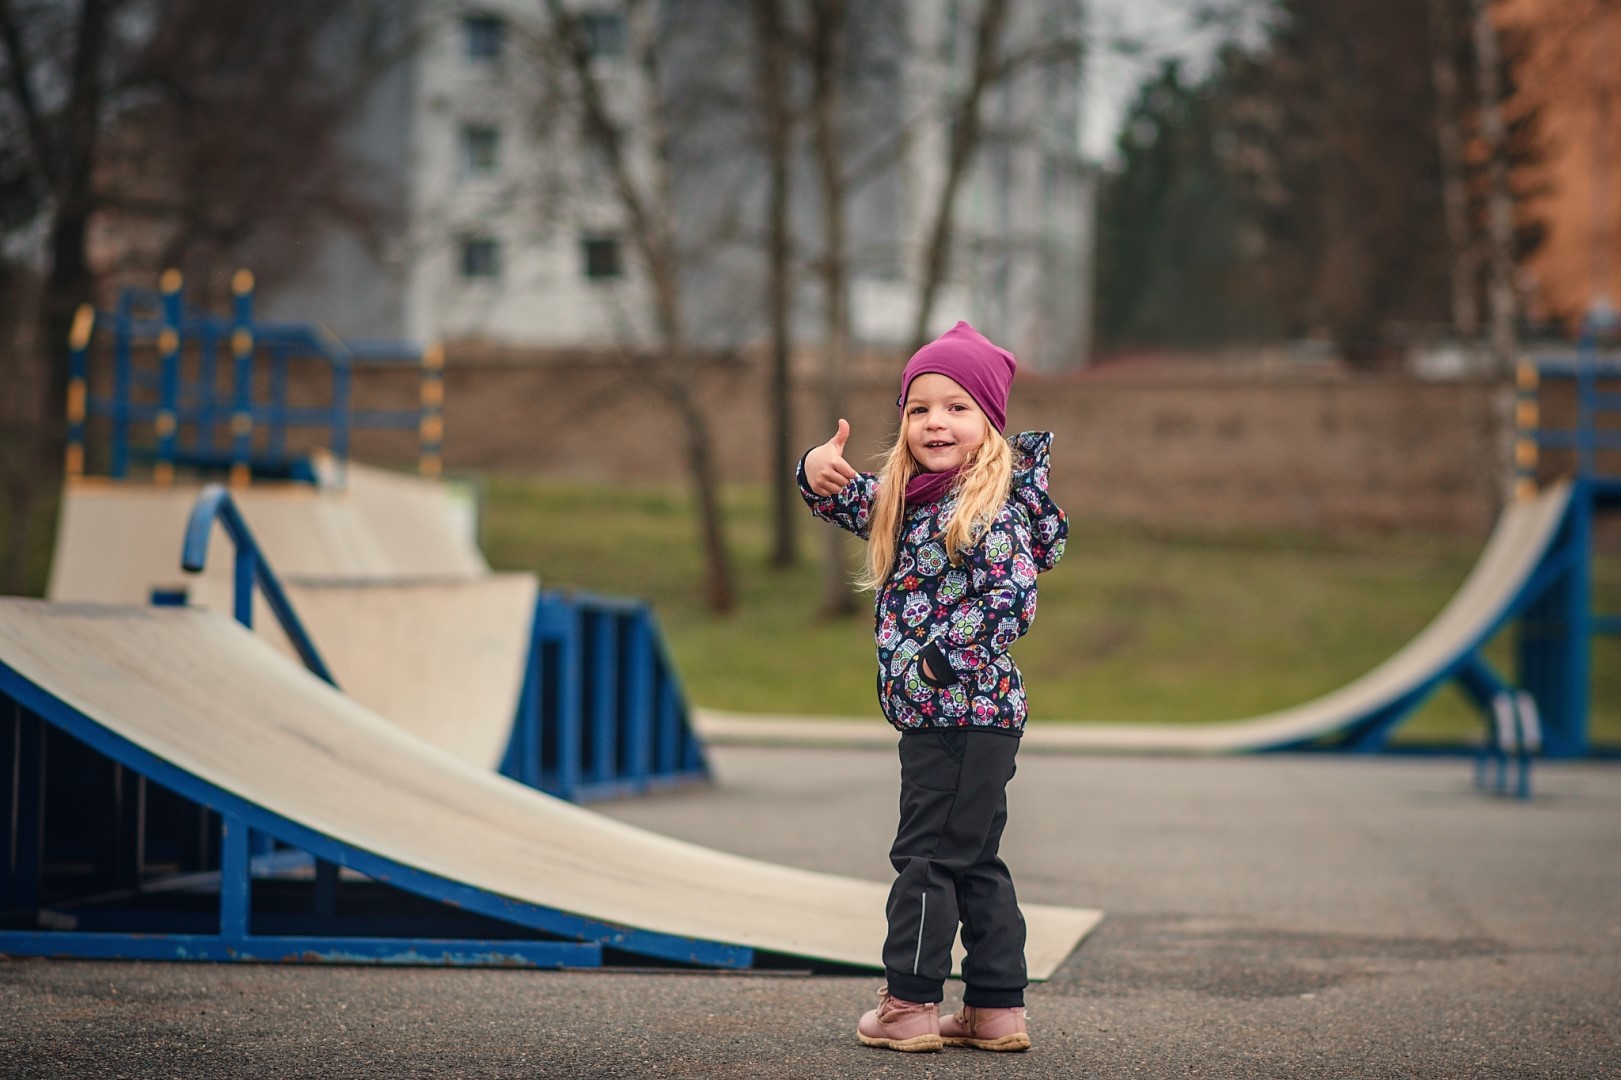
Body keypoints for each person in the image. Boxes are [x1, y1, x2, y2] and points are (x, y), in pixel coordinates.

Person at [798, 321, 1068, 1053]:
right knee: (972, 858)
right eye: (919, 409)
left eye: (955, 407)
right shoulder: (914, 499)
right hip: (958, 716)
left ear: (988, 423)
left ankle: (910, 1003)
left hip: (958, 711)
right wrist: (815, 469)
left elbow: (1011, 601)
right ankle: (994, 1008)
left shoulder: (988, 507)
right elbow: (855, 502)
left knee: (924, 860)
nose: (934, 423)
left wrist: (935, 665)